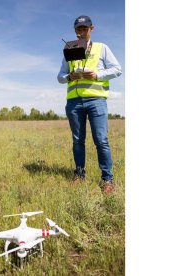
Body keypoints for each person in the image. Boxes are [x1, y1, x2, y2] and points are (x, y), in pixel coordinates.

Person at [57, 15, 122, 194]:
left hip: (96, 101)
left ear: (91, 29)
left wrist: (97, 75)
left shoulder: (102, 48)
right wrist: (69, 76)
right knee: (78, 140)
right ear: (75, 30)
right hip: (74, 102)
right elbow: (60, 76)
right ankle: (79, 175)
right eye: (78, 29)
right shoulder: (69, 49)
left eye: (85, 28)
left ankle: (107, 179)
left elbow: (117, 69)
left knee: (101, 140)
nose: (81, 32)